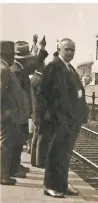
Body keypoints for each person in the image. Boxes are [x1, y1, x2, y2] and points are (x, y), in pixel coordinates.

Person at [41, 38, 88, 198]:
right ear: (59, 49)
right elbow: (45, 93)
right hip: (59, 119)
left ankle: (62, 184)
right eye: (67, 49)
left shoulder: (70, 68)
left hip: (70, 120)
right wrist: (55, 116)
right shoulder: (54, 67)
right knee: (55, 153)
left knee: (65, 154)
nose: (70, 52)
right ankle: (50, 185)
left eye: (72, 50)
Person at [1, 40, 30, 185]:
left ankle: (4, 173)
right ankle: (2, 175)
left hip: (8, 115)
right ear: (6, 55)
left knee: (6, 144)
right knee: (4, 144)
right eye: (12, 54)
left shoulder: (5, 68)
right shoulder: (3, 69)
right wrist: (5, 112)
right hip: (6, 116)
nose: (14, 57)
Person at [9, 41, 35, 178]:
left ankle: (16, 165)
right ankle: (14, 168)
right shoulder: (17, 71)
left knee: (19, 140)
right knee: (17, 141)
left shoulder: (18, 69)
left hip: (19, 113)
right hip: (17, 113)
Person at [30, 36, 49, 168]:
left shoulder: (36, 78)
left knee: (37, 136)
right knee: (41, 137)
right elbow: (40, 100)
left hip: (37, 113)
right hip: (40, 113)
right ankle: (39, 162)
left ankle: (34, 160)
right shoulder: (39, 80)